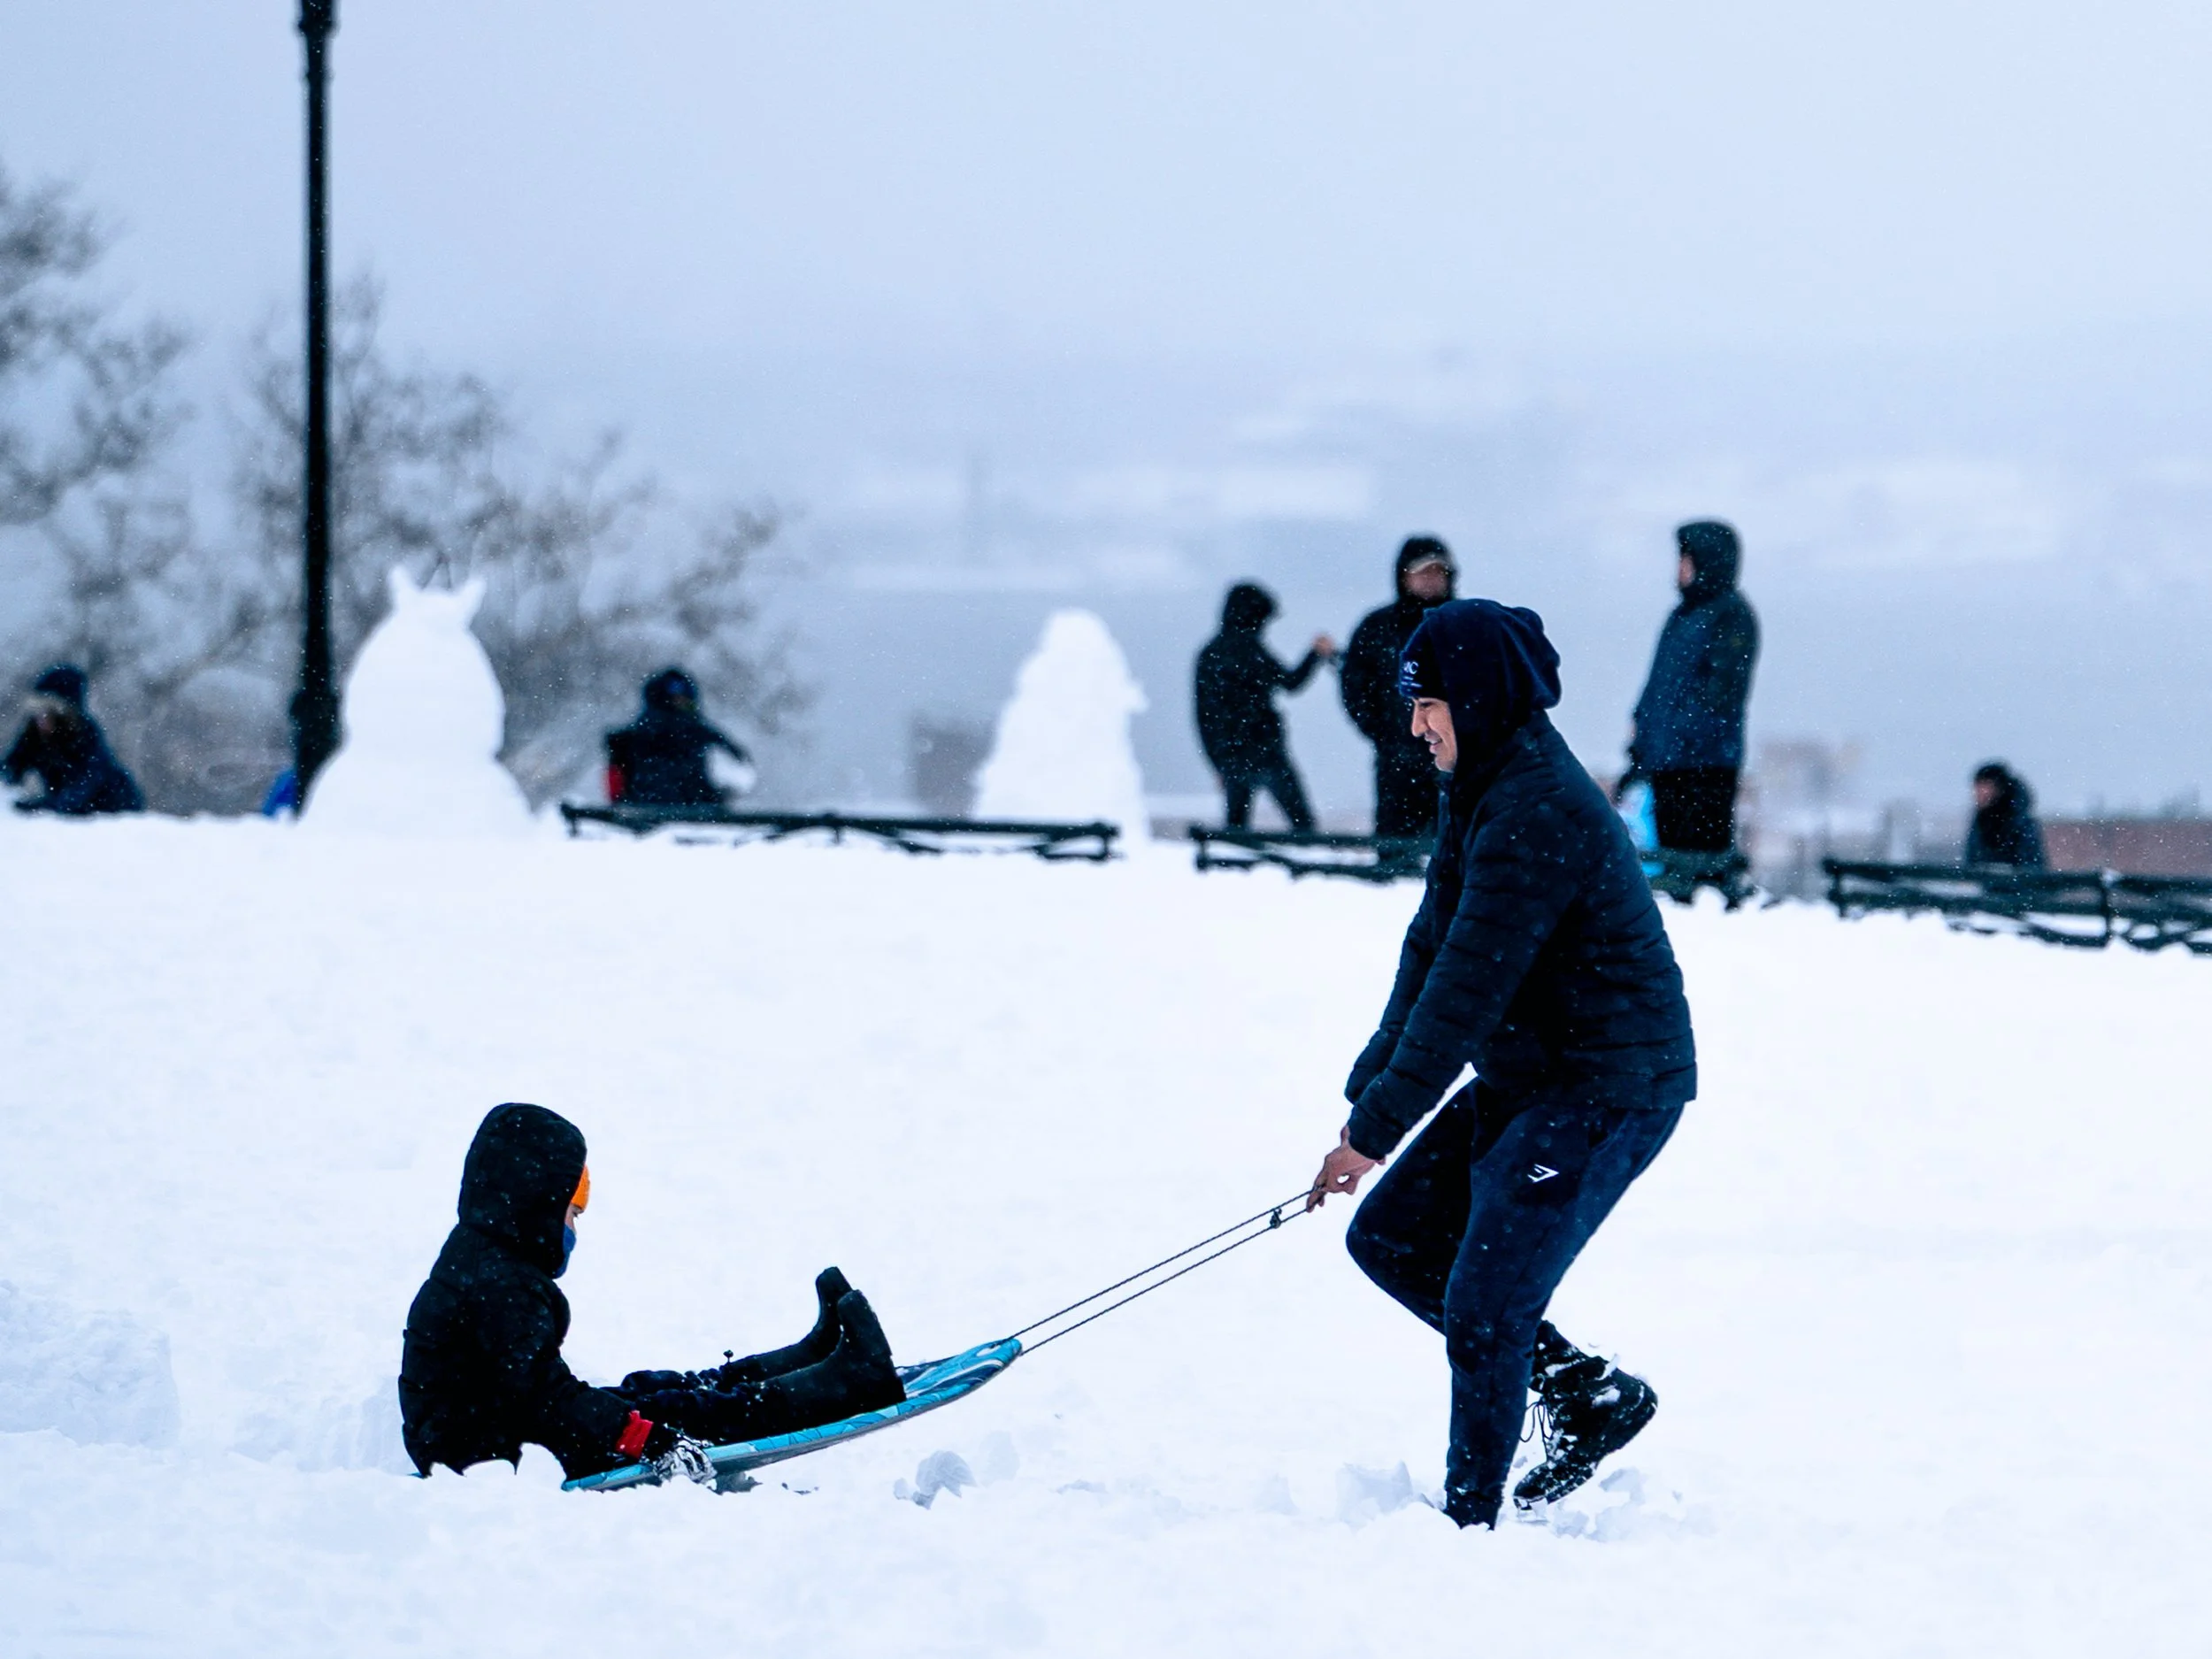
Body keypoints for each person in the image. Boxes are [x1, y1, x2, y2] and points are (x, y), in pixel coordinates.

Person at [1308, 599, 1694, 1530]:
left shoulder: (1537, 809)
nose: (1413, 725)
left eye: (1425, 704)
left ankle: (1467, 1529)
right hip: (1532, 1075)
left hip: (1608, 1085)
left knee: (1486, 1305)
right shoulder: (1483, 782)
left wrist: (1373, 1132)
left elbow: (1465, 995)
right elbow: (1432, 948)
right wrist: (1368, 1093)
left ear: (1473, 697)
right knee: (1392, 1241)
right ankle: (1585, 1394)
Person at [400, 1102, 904, 1482]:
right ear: (532, 1205)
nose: (574, 1227)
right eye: (571, 1213)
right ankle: (849, 1386)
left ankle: (802, 1361)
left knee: (648, 1391)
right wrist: (645, 1437)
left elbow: (531, 1391)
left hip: (494, 1434)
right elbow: (544, 1398)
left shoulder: (484, 1260)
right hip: (490, 1459)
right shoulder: (499, 1285)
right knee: (677, 1414)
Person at [1625, 521, 1759, 855]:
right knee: (1671, 861)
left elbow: (1722, 694)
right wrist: (1642, 729)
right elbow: (1659, 685)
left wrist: (1680, 733)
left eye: (1687, 559)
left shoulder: (1731, 616)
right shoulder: (1682, 616)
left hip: (1705, 766)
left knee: (1700, 866)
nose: (1680, 568)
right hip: (1666, 762)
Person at [1194, 581, 1335, 832]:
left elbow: (1204, 717)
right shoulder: (1249, 649)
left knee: (1236, 829)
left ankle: (1232, 869)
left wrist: (1217, 761)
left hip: (1232, 754)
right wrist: (1315, 654)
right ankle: (1310, 866)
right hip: (1266, 750)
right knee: (1303, 825)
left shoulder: (1211, 653)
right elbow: (1291, 683)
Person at [1340, 536, 1457, 839]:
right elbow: (1354, 688)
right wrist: (1385, 735)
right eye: (1423, 572)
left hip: (1458, 759)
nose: (1431, 579)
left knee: (1457, 851)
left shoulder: (1466, 624)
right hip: (1397, 762)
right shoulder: (1376, 628)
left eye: (1438, 572)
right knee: (1394, 851)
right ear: (1403, 575)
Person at [2, 664, 143, 816]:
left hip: (117, 812)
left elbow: (82, 789)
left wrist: (43, 806)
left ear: (67, 713)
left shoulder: (87, 738)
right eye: (37, 708)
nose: (41, 717)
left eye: (50, 709)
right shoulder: (33, 736)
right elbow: (10, 769)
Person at [604, 668, 755, 809]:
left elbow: (617, 795)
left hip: (642, 826)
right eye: (677, 701)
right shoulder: (704, 736)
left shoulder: (626, 741)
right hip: (701, 824)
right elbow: (740, 774)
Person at [1964, 762, 2047, 868]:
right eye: (1977, 788)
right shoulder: (1980, 821)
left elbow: (2031, 867)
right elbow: (1972, 862)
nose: (1978, 793)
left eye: (1985, 787)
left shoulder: (2021, 823)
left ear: (1999, 789)